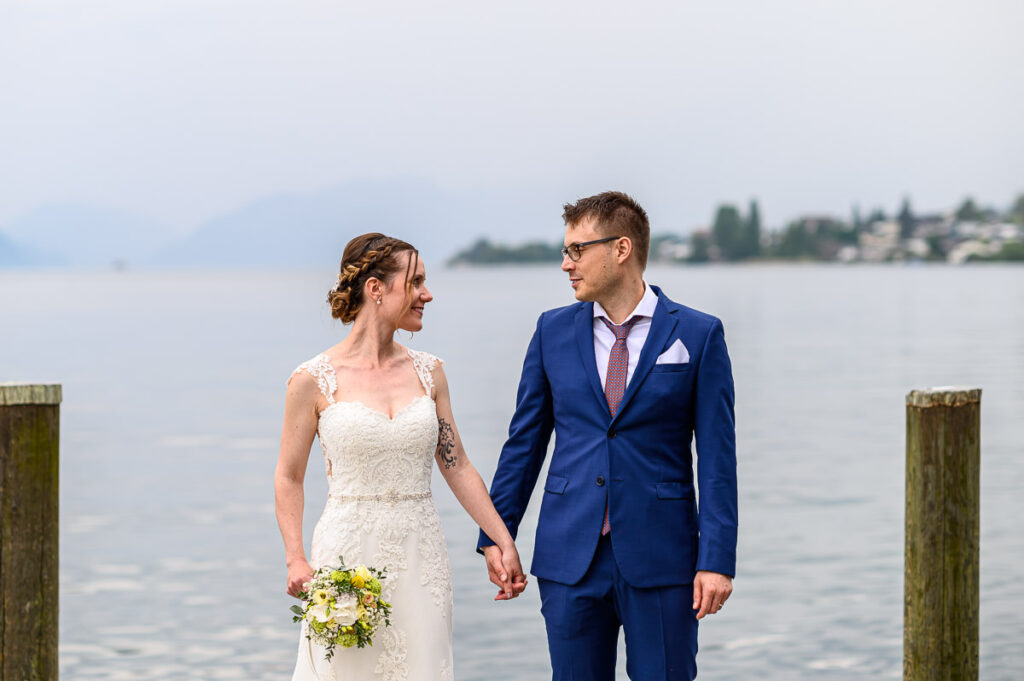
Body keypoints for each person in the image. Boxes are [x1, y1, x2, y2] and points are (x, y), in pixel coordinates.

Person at [478, 191, 738, 680]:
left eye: (576, 250)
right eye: (565, 251)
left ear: (621, 249)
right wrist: (496, 533)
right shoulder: (551, 331)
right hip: (568, 556)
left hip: (663, 559)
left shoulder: (699, 335)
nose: (565, 264)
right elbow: (524, 443)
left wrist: (717, 560)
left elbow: (719, 461)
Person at [276, 233, 527, 681]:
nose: (426, 294)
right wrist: (296, 557)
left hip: (421, 555)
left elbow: (456, 464)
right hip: (346, 557)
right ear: (376, 289)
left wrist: (501, 539)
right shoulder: (311, 380)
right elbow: (289, 477)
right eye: (415, 282)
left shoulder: (430, 372)